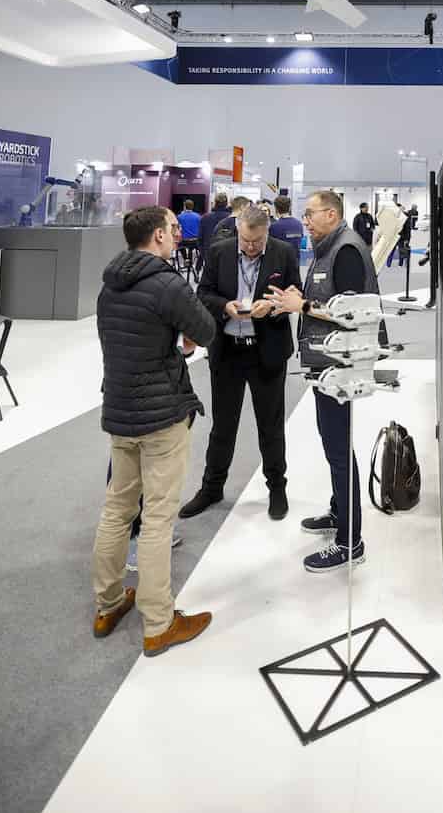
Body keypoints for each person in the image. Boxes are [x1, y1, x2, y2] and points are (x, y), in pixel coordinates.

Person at [91, 205, 216, 658]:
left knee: (117, 510)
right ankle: (159, 623)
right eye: (172, 229)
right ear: (157, 235)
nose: (178, 235)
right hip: (161, 415)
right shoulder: (167, 283)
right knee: (159, 519)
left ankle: (108, 603)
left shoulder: (110, 283)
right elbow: (206, 330)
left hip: (120, 410)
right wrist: (184, 339)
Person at [268, 189, 377, 574]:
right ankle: (338, 511)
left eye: (310, 213)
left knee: (339, 448)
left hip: (341, 363)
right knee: (332, 444)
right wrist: (302, 296)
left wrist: (302, 306)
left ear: (331, 214)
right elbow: (331, 297)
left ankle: (350, 542)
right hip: (327, 363)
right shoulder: (329, 247)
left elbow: (352, 312)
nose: (306, 220)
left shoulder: (345, 250)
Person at [180, 203, 301, 523]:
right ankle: (211, 488)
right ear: (238, 231)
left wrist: (272, 306)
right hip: (228, 353)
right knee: (222, 426)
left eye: (257, 241)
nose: (251, 247)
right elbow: (204, 293)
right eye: (246, 241)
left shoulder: (284, 253)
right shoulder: (219, 252)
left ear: (266, 233)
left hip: (267, 352)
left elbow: (295, 294)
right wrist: (226, 307)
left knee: (271, 426)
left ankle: (277, 487)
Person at [198, 192, 230, 259]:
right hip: (227, 256)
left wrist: (204, 256)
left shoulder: (205, 217)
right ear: (226, 203)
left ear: (215, 203)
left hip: (208, 254)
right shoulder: (231, 218)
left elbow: (200, 239)